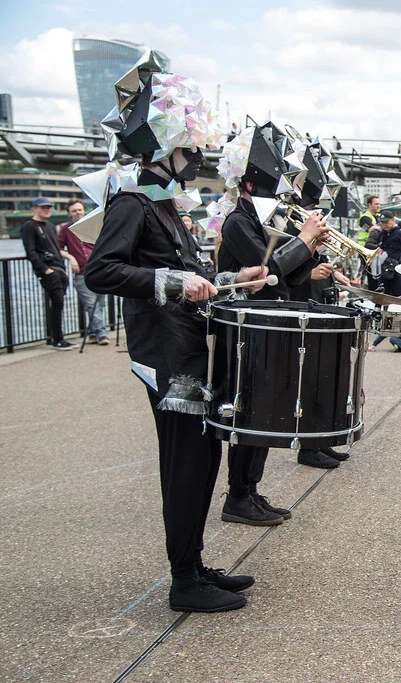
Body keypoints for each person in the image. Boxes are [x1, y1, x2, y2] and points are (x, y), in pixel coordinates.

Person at [84, 62, 268, 613]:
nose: (195, 159)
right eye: (188, 149)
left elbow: (195, 276)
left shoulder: (163, 202)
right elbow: (101, 271)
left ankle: (194, 563)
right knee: (187, 464)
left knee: (204, 457)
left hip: (189, 350)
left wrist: (234, 277)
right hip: (166, 358)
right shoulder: (132, 201)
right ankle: (184, 582)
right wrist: (172, 281)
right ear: (165, 147)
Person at [218, 121, 338, 503]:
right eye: (273, 186)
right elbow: (266, 272)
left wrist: (310, 248)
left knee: (266, 410)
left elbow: (289, 274)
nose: (279, 193)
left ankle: (250, 491)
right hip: (249, 329)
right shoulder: (238, 222)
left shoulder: (259, 220)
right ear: (250, 184)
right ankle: (239, 495)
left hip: (269, 323)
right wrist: (303, 239)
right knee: (251, 412)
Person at [22, 197, 72, 350]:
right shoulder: (29, 226)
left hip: (59, 269)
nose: (46, 210)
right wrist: (44, 269)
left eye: (49, 207)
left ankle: (59, 338)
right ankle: (57, 339)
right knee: (56, 303)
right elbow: (30, 251)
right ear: (35, 208)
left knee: (59, 303)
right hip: (48, 271)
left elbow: (56, 249)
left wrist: (62, 268)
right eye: (43, 207)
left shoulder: (50, 226)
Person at [57, 199, 109, 345]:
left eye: (79, 210)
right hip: (81, 273)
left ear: (84, 210)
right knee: (91, 304)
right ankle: (101, 334)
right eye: (74, 211)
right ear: (69, 214)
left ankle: (92, 333)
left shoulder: (93, 226)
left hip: (98, 270)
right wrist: (70, 257)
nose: (78, 213)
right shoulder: (65, 230)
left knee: (100, 304)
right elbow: (58, 248)